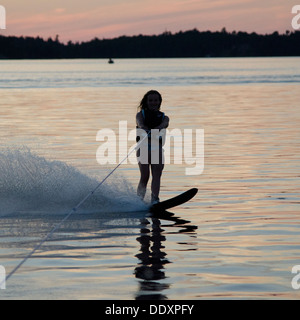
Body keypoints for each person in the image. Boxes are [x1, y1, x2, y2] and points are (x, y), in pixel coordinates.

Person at [136, 90, 169, 203]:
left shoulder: (165, 117)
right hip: (143, 148)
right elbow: (140, 123)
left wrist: (158, 128)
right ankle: (139, 200)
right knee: (145, 176)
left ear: (159, 102)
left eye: (156, 100)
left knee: (156, 176)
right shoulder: (140, 115)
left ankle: (154, 199)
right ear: (146, 101)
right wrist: (144, 128)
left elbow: (164, 124)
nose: (153, 102)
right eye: (150, 100)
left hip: (157, 149)